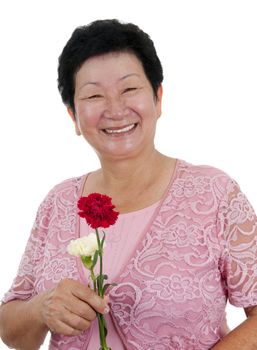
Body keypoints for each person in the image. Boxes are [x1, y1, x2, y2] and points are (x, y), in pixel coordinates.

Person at [0, 19, 256, 350]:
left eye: (130, 89)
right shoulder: (59, 202)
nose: (115, 109)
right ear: (73, 116)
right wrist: (41, 307)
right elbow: (11, 330)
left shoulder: (214, 194)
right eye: (93, 95)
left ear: (158, 97)